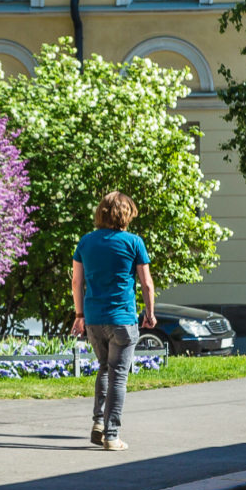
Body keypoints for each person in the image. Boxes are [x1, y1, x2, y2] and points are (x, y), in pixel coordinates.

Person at [71, 190, 156, 451]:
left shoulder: (86, 242)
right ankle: (112, 435)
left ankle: (98, 423)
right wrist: (150, 313)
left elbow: (76, 282)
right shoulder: (134, 242)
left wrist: (79, 315)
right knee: (118, 375)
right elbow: (146, 283)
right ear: (125, 214)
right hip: (122, 319)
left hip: (94, 319)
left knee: (104, 369)